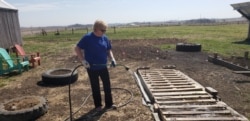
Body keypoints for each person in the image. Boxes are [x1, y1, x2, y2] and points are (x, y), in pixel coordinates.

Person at [75, 20, 117, 114]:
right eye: (102, 30)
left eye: (105, 30)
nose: (104, 32)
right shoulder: (87, 38)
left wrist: (112, 59)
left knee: (107, 86)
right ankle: (98, 106)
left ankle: (109, 104)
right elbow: (77, 48)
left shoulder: (105, 38)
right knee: (95, 87)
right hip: (92, 68)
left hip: (103, 67)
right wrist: (83, 60)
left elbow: (108, 50)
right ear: (96, 29)